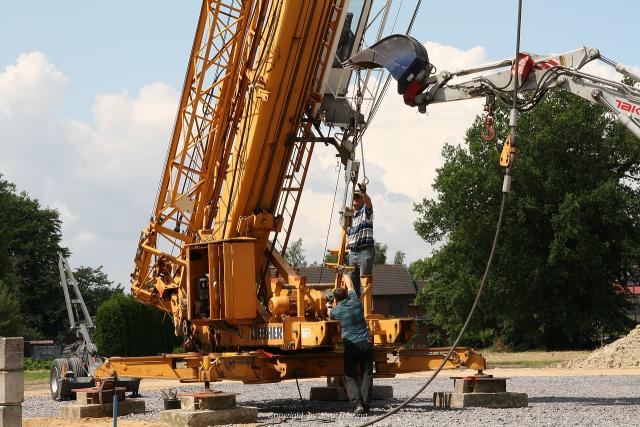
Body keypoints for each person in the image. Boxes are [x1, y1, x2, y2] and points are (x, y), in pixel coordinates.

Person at [329, 274, 373, 414]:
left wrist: (328, 306)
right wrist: (344, 273)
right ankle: (366, 405)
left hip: (351, 346)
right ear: (346, 295)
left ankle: (357, 404)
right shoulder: (355, 301)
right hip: (365, 343)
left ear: (336, 299)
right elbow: (350, 285)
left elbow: (329, 313)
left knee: (349, 375)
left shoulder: (337, 310)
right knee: (367, 374)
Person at [347, 182, 374, 297]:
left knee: (365, 284)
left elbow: (369, 203)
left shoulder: (365, 212)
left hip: (365, 251)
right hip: (352, 253)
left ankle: (366, 310)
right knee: (352, 285)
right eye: (354, 197)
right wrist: (344, 251)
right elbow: (347, 236)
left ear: (362, 200)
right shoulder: (349, 216)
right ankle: (356, 308)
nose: (355, 199)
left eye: (358, 197)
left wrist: (363, 192)